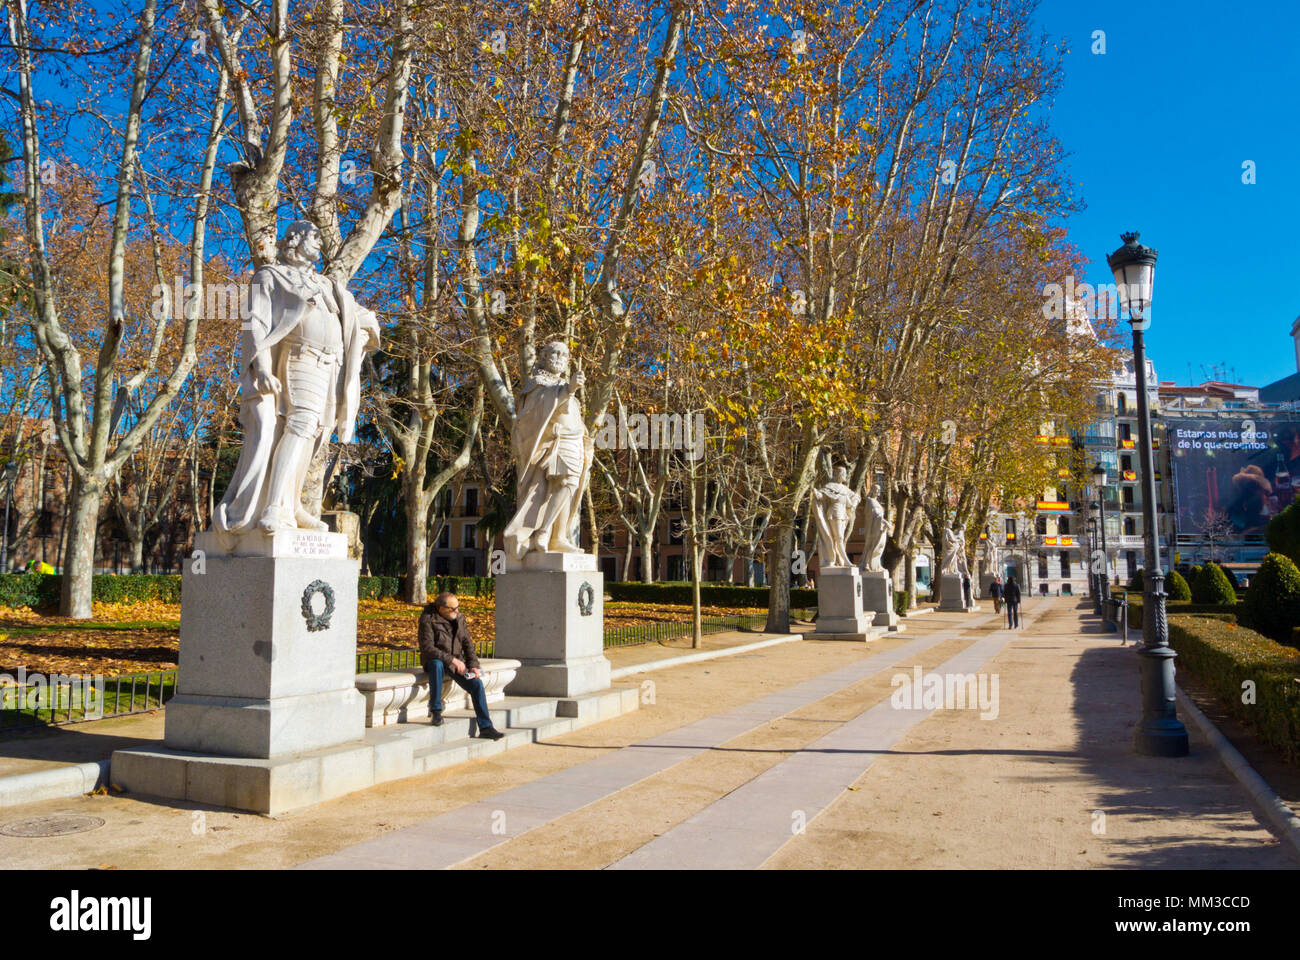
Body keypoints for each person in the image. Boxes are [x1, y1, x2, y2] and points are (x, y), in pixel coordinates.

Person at [417, 592, 504, 739]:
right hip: (435, 660)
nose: (456, 611)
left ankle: (486, 727)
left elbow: (467, 643)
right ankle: (436, 711)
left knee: (476, 684)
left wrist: (473, 665)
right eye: (453, 609)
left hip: (455, 662)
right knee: (437, 665)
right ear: (440, 608)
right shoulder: (427, 619)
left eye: (457, 607)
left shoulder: (459, 618)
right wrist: (451, 660)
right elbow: (427, 647)